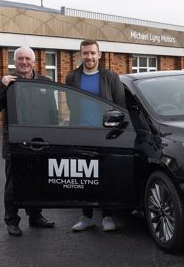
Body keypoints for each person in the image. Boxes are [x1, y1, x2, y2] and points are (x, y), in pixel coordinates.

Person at [0, 46, 55, 236]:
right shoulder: (8, 83)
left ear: (34, 61)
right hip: (15, 143)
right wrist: (1, 85)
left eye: (27, 58)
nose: (24, 62)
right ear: (14, 62)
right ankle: (12, 221)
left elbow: (52, 113)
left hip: (39, 142)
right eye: (20, 59)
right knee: (13, 185)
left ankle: (35, 216)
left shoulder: (45, 82)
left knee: (37, 181)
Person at [66, 39, 125, 232]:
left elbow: (120, 106)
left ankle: (108, 216)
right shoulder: (72, 78)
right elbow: (71, 104)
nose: (89, 57)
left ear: (99, 54)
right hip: (81, 133)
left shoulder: (111, 77)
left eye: (92, 53)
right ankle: (87, 216)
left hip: (105, 134)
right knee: (83, 176)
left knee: (105, 175)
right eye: (85, 53)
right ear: (80, 55)